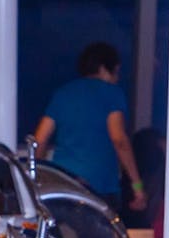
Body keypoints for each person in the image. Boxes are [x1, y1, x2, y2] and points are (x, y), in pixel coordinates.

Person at [32, 41, 148, 213]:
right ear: (103, 68)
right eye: (116, 71)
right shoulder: (112, 93)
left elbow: (39, 140)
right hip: (99, 186)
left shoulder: (62, 93)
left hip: (63, 183)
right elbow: (119, 139)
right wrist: (137, 185)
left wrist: (37, 179)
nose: (117, 78)